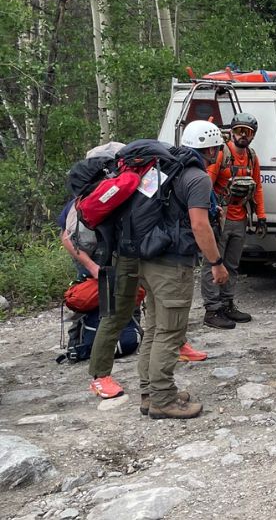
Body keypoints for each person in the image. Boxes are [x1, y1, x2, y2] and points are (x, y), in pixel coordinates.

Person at [68, 142, 205, 402]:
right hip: (117, 259)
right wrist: (93, 267)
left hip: (130, 254)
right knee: (117, 314)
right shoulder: (119, 184)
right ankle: (99, 375)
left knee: (153, 311)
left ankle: (164, 361)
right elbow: (69, 235)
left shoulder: (133, 182)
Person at [125, 121, 228, 419]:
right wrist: (216, 263)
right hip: (172, 265)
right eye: (216, 149)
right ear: (210, 148)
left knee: (155, 330)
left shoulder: (162, 170)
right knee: (170, 333)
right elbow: (199, 225)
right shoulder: (197, 178)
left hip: (148, 259)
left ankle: (149, 393)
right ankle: (163, 399)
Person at [201, 112, 266, 329]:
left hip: (240, 217)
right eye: (239, 130)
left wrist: (261, 216)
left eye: (248, 132)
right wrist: (208, 211)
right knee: (213, 263)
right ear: (232, 131)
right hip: (221, 217)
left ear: (253, 135)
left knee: (232, 264)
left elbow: (257, 187)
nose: (243, 135)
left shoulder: (251, 157)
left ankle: (227, 304)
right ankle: (212, 309)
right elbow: (206, 183)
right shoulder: (222, 154)